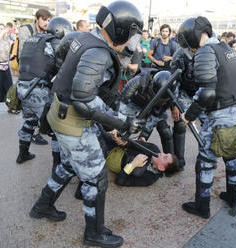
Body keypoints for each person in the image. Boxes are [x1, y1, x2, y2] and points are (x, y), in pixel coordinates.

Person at [29, 2, 144, 247]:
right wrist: (122, 122)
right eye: (131, 35)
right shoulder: (99, 53)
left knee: (69, 164)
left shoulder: (80, 37)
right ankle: (94, 232)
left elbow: (60, 63)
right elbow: (84, 100)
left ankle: (43, 205)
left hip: (60, 112)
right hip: (73, 119)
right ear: (121, 30)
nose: (131, 43)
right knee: (96, 177)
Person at [178, 17, 236, 219]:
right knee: (231, 152)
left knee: (206, 160)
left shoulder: (206, 51)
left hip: (222, 113)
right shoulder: (226, 48)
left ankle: (202, 205)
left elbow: (207, 93)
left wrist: (189, 115)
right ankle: (233, 196)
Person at [16, 17, 73, 164]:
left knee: (30, 121)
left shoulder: (34, 39)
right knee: (55, 127)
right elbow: (63, 67)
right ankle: (57, 166)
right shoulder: (54, 42)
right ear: (59, 30)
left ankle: (23, 154)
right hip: (38, 91)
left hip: (23, 88)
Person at [117, 70, 178, 175]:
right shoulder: (139, 82)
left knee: (162, 131)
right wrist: (129, 122)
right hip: (134, 105)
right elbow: (121, 104)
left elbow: (157, 115)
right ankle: (122, 150)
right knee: (129, 128)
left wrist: (144, 134)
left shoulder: (172, 90)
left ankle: (168, 166)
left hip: (155, 110)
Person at [18, 9, 52, 145]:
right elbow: (24, 54)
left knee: (36, 111)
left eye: (49, 20)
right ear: (37, 19)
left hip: (41, 75)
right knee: (33, 111)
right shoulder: (26, 30)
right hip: (28, 75)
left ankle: (31, 137)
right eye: (44, 19)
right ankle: (34, 133)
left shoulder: (47, 32)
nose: (47, 23)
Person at [102, 129, 179, 186]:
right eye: (165, 153)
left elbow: (120, 181)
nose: (161, 153)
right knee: (99, 126)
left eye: (164, 157)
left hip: (105, 157)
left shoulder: (149, 179)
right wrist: (122, 141)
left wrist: (132, 165)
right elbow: (132, 143)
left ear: (161, 167)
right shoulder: (154, 149)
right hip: (114, 144)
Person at [0, 24, 14, 105]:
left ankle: (11, 105)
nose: (1, 30)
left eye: (2, 28)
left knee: (9, 88)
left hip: (6, 67)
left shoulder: (7, 39)